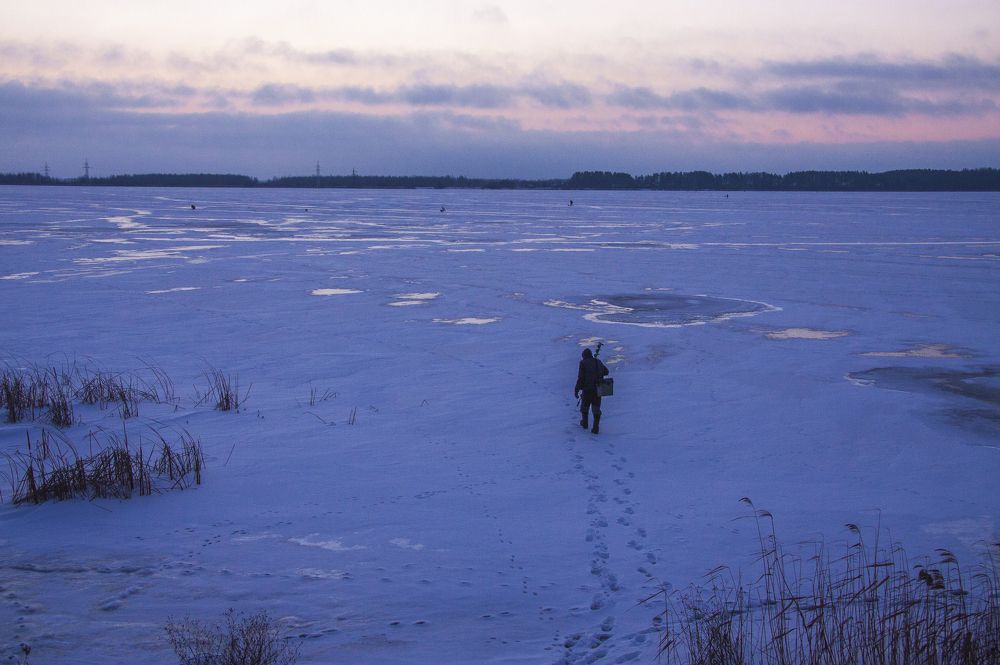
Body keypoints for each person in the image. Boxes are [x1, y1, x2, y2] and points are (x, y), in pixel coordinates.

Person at [574, 347, 609, 434]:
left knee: (585, 407)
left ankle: (585, 423)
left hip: (587, 389)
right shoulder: (598, 361)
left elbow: (580, 378)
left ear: (584, 356)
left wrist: (576, 389)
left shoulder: (583, 363)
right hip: (599, 388)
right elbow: (606, 372)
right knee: (596, 408)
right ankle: (595, 428)